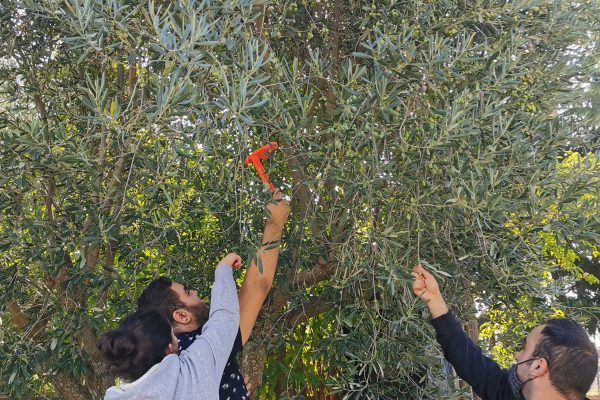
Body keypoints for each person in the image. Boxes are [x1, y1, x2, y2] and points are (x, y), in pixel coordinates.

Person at [137, 190, 290, 399]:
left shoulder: (161, 368)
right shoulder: (205, 345)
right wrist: (275, 222)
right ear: (181, 315)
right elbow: (258, 285)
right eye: (188, 293)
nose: (197, 293)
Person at [411, 264, 598, 400]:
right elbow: (469, 360)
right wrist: (434, 299)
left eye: (525, 348)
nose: (517, 355)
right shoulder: (511, 392)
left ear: (538, 367)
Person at [98, 253, 242, 400]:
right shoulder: (191, 373)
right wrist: (223, 269)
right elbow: (224, 320)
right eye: (172, 334)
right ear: (170, 348)